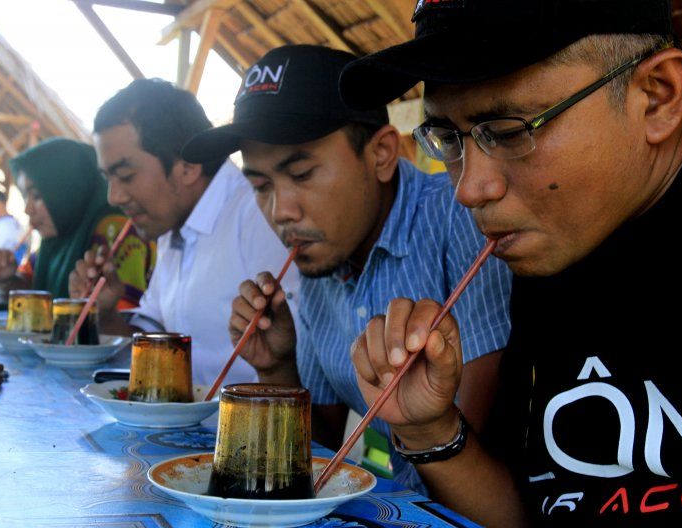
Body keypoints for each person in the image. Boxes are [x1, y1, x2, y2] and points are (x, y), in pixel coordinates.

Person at [340, 0, 682, 528]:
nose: (469, 189)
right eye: (448, 138)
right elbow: (538, 511)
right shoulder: (561, 239)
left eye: (507, 129)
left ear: (657, 96)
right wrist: (432, 431)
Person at [182, 45, 512, 493]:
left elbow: (480, 454)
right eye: (260, 186)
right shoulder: (325, 259)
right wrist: (277, 368)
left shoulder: (461, 221)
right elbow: (321, 446)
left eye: (301, 174)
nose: (282, 211)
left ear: (380, 154)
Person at [69, 78, 296, 386]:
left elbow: (301, 356)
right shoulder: (171, 224)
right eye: (108, 178)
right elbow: (157, 341)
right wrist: (106, 314)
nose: (114, 197)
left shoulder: (257, 214)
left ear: (188, 167)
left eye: (125, 175)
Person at [0, 138, 154, 307]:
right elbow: (33, 287)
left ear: (69, 190)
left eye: (37, 196)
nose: (28, 209)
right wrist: (8, 279)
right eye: (25, 196)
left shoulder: (114, 229)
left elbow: (125, 316)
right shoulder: (58, 236)